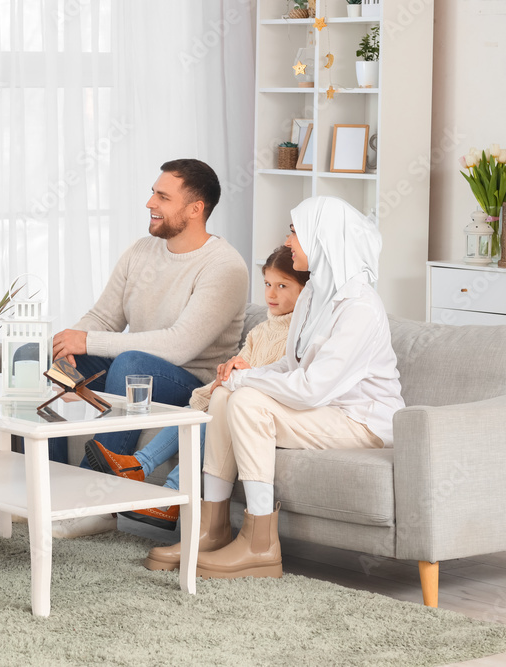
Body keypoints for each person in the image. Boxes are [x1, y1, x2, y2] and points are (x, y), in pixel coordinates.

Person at [144, 195, 405, 578]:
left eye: (296, 232)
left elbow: (311, 388)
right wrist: (239, 374)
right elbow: (291, 363)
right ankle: (211, 528)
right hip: (326, 411)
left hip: (362, 423)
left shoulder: (359, 308)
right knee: (223, 394)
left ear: (323, 238)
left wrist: (248, 379)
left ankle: (260, 544)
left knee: (247, 400)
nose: (287, 242)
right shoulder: (315, 294)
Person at [49, 158, 249, 538]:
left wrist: (89, 340)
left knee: (129, 365)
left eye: (162, 196)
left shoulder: (224, 267)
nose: (149, 203)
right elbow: (104, 318)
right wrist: (70, 345)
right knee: (46, 356)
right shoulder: (141, 251)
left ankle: (94, 502)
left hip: (191, 383)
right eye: (152, 193)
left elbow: (179, 345)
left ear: (195, 209)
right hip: (137, 372)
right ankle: (47, 489)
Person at [85, 245, 310, 530]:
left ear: (304, 291)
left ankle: (165, 494)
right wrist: (225, 375)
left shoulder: (299, 332)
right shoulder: (260, 331)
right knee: (194, 413)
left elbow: (287, 380)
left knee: (209, 421)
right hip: (236, 402)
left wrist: (241, 378)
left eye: (282, 286)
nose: (272, 294)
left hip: (263, 414)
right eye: (267, 284)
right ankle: (138, 468)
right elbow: (242, 365)